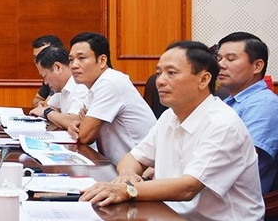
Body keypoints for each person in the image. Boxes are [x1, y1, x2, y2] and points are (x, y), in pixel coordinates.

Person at [80, 41, 264, 220]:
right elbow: (133, 158)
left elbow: (188, 188)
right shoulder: (170, 116)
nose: (160, 81)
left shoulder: (223, 125)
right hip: (166, 212)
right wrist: (127, 175)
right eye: (159, 73)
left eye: (171, 73)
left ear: (203, 79)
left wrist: (127, 190)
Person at [66, 32, 155, 164]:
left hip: (142, 171)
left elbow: (85, 136)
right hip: (119, 166)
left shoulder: (110, 82)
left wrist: (83, 126)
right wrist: (78, 126)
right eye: (71, 59)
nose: (74, 65)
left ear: (102, 60)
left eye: (81, 58)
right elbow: (82, 129)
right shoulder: (93, 86)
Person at [217, 32, 278, 193]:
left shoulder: (264, 105)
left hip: (234, 203)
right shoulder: (227, 102)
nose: (221, 65)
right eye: (219, 59)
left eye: (230, 59)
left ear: (257, 66)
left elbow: (245, 165)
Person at [29, 46, 88, 129]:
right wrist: (53, 113)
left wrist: (47, 112)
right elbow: (47, 106)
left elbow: (75, 122)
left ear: (58, 67)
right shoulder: (62, 88)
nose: (45, 82)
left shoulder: (81, 86)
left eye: (45, 76)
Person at [30, 35, 64, 108]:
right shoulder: (48, 76)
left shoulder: (73, 78)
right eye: (36, 57)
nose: (38, 61)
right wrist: (39, 104)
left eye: (43, 55)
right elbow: (36, 100)